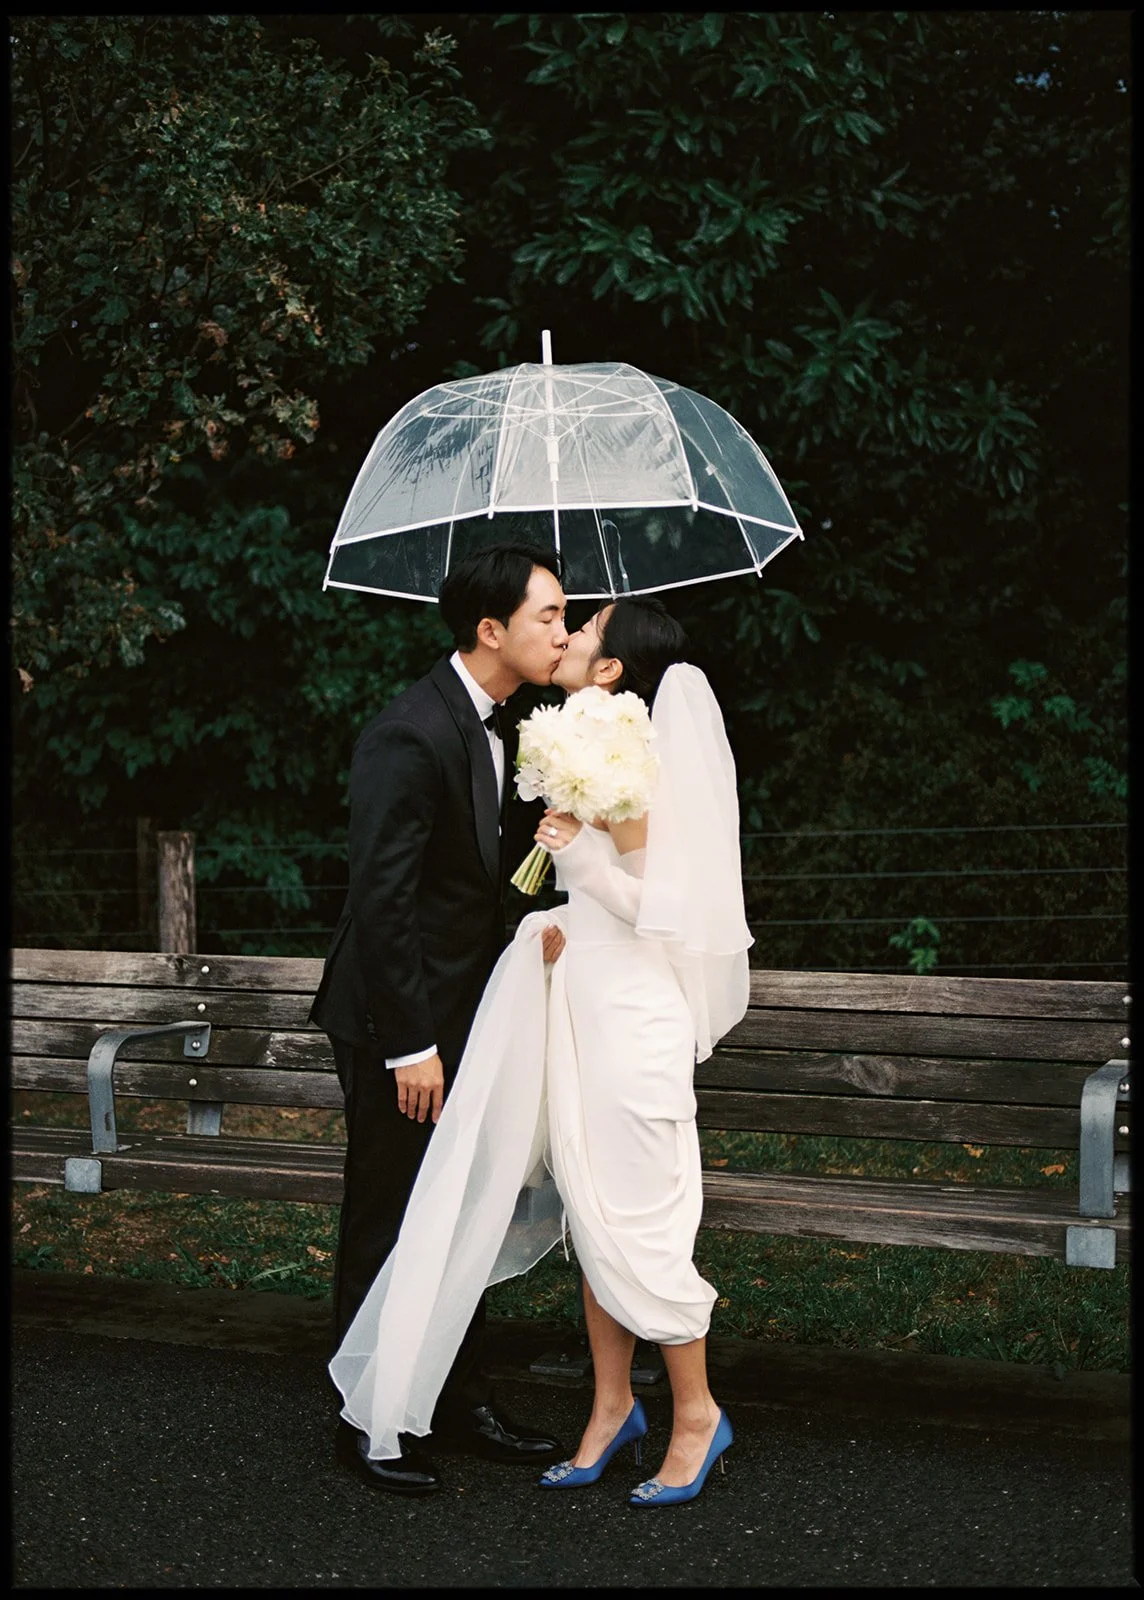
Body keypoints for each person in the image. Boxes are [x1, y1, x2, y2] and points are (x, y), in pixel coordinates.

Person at [328, 593, 751, 1511]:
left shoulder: (625, 754)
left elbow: (683, 912)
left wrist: (583, 865)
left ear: (610, 670)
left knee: (640, 1219)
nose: (567, 634)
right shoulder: (550, 738)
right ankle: (607, 1411)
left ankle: (694, 1417)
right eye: (558, 615)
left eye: (585, 626)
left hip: (631, 1022)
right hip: (579, 1008)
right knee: (592, 1216)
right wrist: (560, 918)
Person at [310, 541, 570, 1495]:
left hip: (467, 1008)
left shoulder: (508, 722)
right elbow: (381, 900)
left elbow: (469, 884)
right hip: (397, 1019)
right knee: (389, 1209)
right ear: (490, 628)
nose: (563, 629)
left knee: (463, 1207)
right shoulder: (407, 731)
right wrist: (410, 1046)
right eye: (549, 615)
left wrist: (538, 878)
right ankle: (365, 1420)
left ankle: (452, 1399)